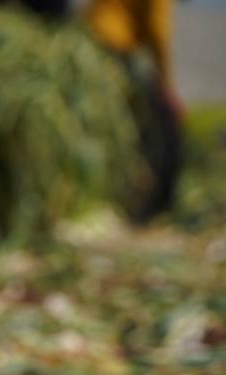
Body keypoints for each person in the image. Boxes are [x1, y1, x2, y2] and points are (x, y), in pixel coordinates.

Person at [87, 0, 183, 219]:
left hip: (91, 36)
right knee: (160, 123)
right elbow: (158, 34)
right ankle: (154, 208)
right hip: (112, 46)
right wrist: (167, 88)